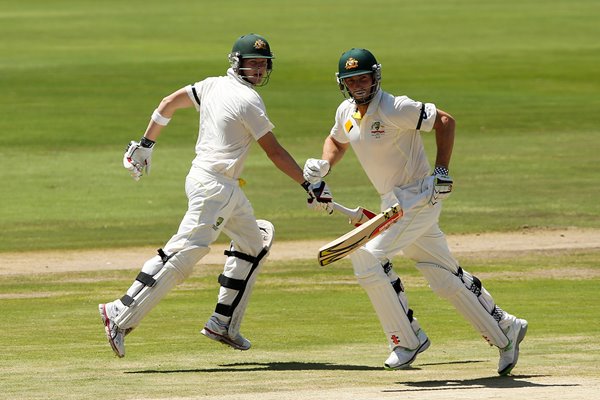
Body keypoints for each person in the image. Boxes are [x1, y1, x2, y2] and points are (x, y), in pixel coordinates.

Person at [98, 33, 331, 358]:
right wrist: (309, 185)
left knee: (255, 242)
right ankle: (118, 314)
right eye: (253, 63)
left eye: (264, 64)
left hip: (223, 187)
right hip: (213, 187)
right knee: (184, 252)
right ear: (237, 63)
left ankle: (223, 322)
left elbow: (168, 103)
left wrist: (146, 144)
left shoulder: (210, 85)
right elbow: (274, 152)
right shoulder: (248, 101)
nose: (259, 70)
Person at [303, 48, 528, 375]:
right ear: (343, 84)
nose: (359, 85)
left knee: (367, 257)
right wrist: (324, 165)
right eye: (352, 81)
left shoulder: (395, 106)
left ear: (376, 76)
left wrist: (441, 171)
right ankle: (504, 328)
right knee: (441, 274)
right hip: (391, 202)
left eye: (364, 78)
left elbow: (446, 121)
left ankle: (406, 339)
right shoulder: (345, 112)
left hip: (418, 198)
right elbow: (337, 141)